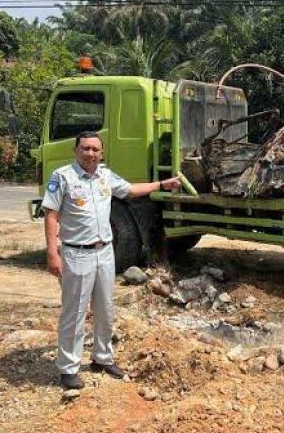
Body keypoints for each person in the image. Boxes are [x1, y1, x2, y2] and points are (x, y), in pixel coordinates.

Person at [41, 131, 180, 389]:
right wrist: (52, 252)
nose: (91, 153)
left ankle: (102, 358)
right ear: (76, 151)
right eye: (85, 148)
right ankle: (69, 368)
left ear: (101, 152)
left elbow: (130, 189)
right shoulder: (63, 177)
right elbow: (51, 215)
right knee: (75, 312)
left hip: (105, 252)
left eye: (95, 149)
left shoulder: (105, 175)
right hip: (76, 253)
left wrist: (162, 185)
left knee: (105, 308)